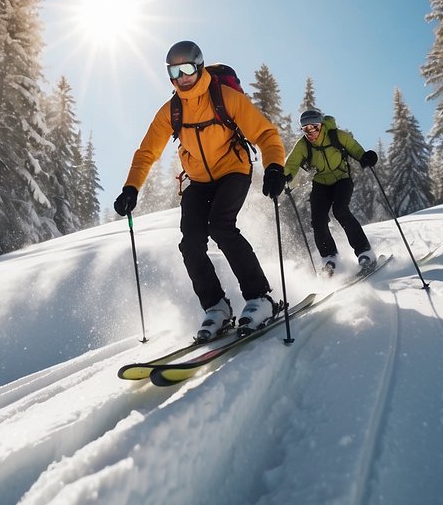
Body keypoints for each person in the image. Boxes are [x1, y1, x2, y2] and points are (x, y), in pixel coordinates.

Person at [113, 41, 287, 342]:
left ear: (200, 66)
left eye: (187, 69)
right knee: (190, 242)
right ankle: (216, 307)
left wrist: (274, 166)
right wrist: (131, 187)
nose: (182, 77)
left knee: (221, 226)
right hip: (198, 180)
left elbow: (265, 134)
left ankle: (261, 298)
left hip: (233, 170)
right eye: (174, 71)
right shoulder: (172, 111)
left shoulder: (225, 98)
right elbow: (147, 152)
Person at [282, 107, 379, 276]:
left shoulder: (335, 135)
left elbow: (354, 147)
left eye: (314, 127)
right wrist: (282, 177)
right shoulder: (303, 145)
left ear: (321, 126)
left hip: (342, 178)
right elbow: (291, 164)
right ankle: (330, 259)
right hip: (321, 182)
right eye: (305, 129)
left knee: (340, 210)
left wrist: (365, 157)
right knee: (317, 219)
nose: (310, 132)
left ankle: (365, 253)